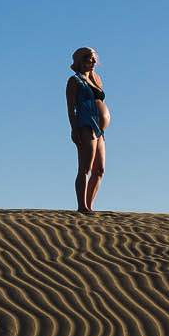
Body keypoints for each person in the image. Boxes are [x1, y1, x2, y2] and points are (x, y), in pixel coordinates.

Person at [66, 48, 108, 214]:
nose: (93, 62)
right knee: (85, 168)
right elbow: (71, 108)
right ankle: (82, 206)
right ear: (80, 61)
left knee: (99, 170)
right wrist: (74, 129)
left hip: (100, 130)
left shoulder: (96, 79)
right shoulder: (74, 81)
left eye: (94, 59)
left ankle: (89, 206)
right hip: (85, 125)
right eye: (89, 59)